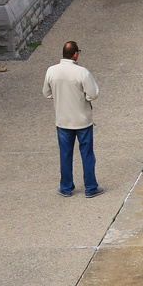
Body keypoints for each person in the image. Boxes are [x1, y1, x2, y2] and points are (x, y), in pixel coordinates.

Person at [43, 41, 102, 198]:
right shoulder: (81, 72)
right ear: (75, 54)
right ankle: (90, 187)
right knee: (87, 154)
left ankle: (66, 187)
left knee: (65, 154)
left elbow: (46, 93)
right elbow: (93, 93)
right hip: (82, 120)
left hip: (63, 120)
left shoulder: (51, 71)